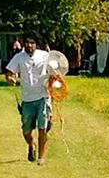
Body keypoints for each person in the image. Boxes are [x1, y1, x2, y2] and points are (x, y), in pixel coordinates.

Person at [7, 34, 65, 163]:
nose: (29, 45)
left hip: (43, 97)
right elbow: (9, 73)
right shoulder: (19, 57)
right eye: (27, 42)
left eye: (32, 43)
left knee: (42, 127)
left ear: (36, 44)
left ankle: (41, 157)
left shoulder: (44, 56)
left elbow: (55, 71)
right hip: (27, 99)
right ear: (24, 44)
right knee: (26, 130)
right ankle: (31, 145)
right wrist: (10, 78)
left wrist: (55, 78)